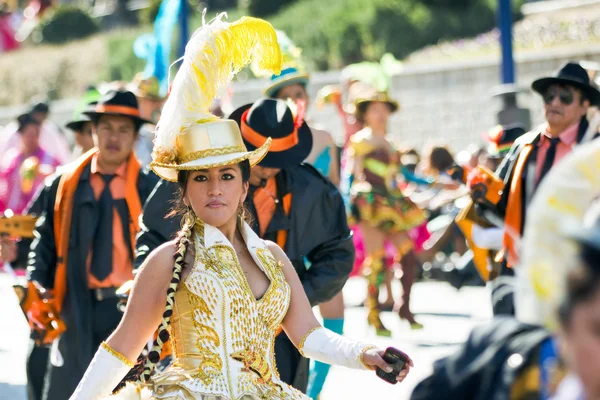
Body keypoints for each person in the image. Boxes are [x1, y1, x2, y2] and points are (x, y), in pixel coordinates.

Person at [69, 15, 412, 400]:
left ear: (244, 185)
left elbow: (309, 335)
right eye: (201, 178)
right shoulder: (168, 260)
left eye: (227, 176)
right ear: (183, 191)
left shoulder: (274, 257)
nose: (215, 188)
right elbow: (119, 350)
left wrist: (366, 353)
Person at [24, 89, 158, 400]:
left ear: (135, 136)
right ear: (93, 130)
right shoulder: (63, 184)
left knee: (128, 391)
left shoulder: (149, 187)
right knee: (68, 390)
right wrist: (37, 283)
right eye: (107, 127)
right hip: (75, 305)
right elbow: (43, 241)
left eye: (124, 129)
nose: (115, 137)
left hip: (130, 310)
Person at [490, 61, 600, 316]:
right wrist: (480, 191)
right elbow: (498, 202)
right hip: (518, 262)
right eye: (549, 96)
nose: (555, 102)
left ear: (585, 105)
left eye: (565, 96)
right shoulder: (523, 145)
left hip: (573, 268)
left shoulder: (594, 151)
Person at [264, 56, 342, 398]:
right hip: (285, 239)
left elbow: (335, 190)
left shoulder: (325, 138)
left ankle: (314, 392)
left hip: (320, 238)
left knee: (334, 309)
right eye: (288, 94)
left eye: (301, 92)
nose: (297, 99)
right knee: (287, 317)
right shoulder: (269, 142)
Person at [346, 90, 427, 334]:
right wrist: (350, 201)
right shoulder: (360, 141)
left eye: (383, 109)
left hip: (392, 202)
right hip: (370, 204)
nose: (380, 115)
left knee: (409, 254)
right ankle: (373, 314)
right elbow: (351, 175)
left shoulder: (391, 143)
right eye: (374, 110)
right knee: (377, 260)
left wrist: (433, 182)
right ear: (366, 114)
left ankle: (405, 307)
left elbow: (403, 175)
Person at [0, 112, 60, 214]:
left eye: (34, 134)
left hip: (37, 216)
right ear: (21, 135)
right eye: (28, 134)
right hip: (11, 216)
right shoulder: (11, 159)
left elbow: (59, 180)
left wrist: (45, 174)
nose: (31, 138)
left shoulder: (49, 160)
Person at [128, 73, 165, 167]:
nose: (139, 104)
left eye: (152, 101)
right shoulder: (129, 128)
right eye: (138, 100)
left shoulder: (163, 131)